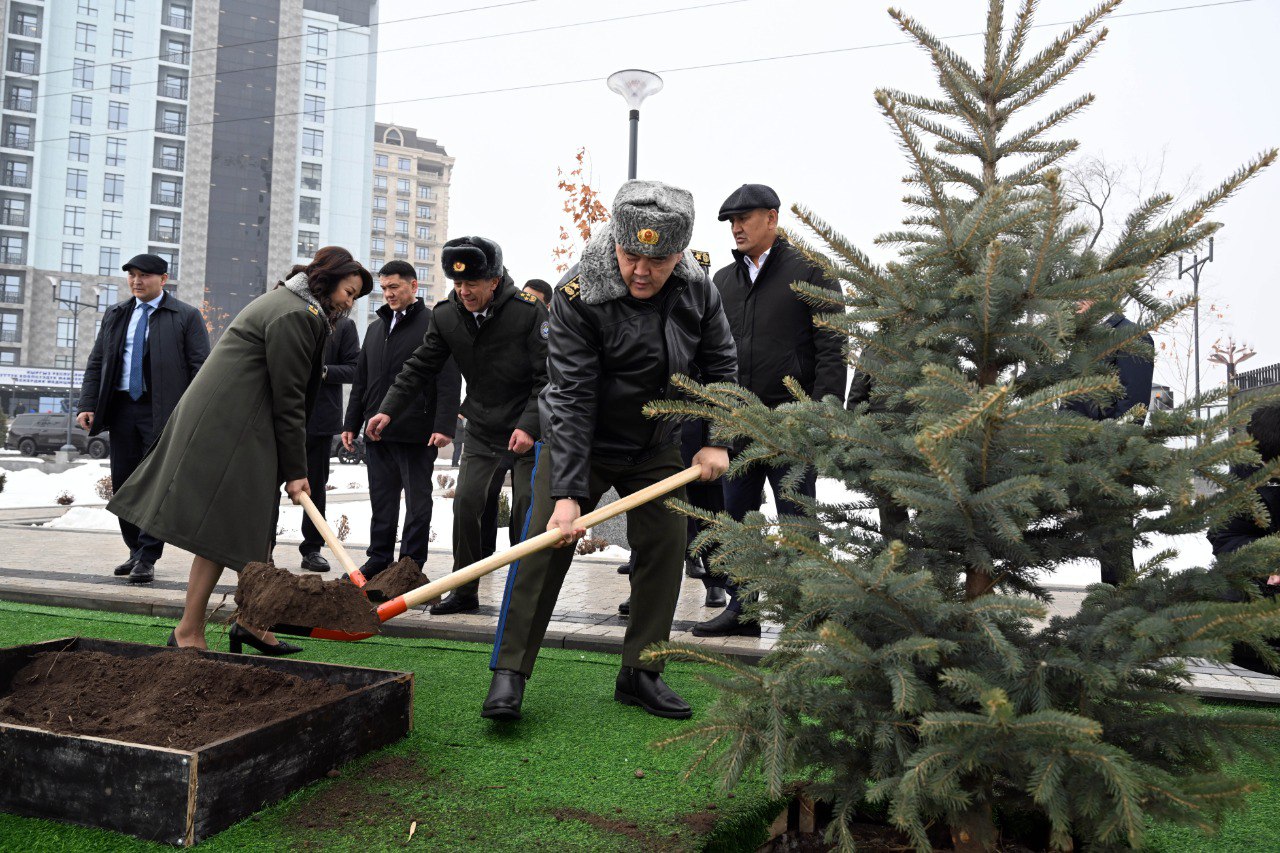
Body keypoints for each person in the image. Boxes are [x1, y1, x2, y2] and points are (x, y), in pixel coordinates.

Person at [482, 180, 737, 722]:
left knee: (665, 548)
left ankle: (641, 672)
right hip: (583, 441)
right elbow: (572, 396)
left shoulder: (699, 289)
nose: (641, 271)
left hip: (656, 443)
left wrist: (717, 439)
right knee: (543, 546)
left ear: (680, 254)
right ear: (615, 243)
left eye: (658, 261)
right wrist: (569, 494)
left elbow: (720, 366)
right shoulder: (579, 292)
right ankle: (510, 671)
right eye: (630, 256)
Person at [108, 246, 372, 653]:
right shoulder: (295, 315)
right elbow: (289, 397)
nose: (348, 303)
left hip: (244, 425)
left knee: (247, 527)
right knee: (226, 530)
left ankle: (251, 622)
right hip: (232, 429)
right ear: (327, 280)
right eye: (348, 292)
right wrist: (296, 470)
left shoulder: (293, 305)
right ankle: (190, 631)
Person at [693, 184, 846, 638]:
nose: (736, 228)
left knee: (797, 519)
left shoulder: (812, 272)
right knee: (739, 521)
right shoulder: (722, 282)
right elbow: (711, 355)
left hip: (791, 424)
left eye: (744, 219)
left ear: (772, 218)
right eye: (731, 222)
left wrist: (822, 416)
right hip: (737, 424)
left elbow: (833, 349)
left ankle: (807, 610)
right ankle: (743, 611)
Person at [366, 236, 548, 615]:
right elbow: (420, 365)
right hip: (482, 425)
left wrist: (529, 425)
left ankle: (524, 591)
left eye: (472, 283)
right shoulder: (447, 314)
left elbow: (548, 377)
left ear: (494, 280)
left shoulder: (528, 313)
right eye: (458, 283)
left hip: (530, 429)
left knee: (525, 509)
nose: (464, 291)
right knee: (466, 504)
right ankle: (464, 590)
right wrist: (388, 409)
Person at [77, 253, 210, 584]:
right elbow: (97, 362)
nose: (136, 281)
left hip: (164, 412)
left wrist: (195, 413)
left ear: (163, 279)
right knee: (124, 484)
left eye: (144, 275)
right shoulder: (116, 314)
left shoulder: (185, 316)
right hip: (122, 409)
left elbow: (201, 368)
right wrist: (87, 403)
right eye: (132, 275)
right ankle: (135, 550)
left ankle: (148, 555)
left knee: (156, 484)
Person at [341, 261, 460, 581]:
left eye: (394, 287)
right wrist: (351, 423)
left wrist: (444, 426)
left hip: (417, 432)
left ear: (413, 286)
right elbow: (361, 381)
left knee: (417, 503)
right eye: (384, 288)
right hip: (377, 433)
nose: (388, 294)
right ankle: (379, 558)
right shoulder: (375, 329)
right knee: (382, 501)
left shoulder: (434, 324)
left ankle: (410, 564)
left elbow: (449, 378)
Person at [1063, 302, 1155, 586]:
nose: (1072, 305)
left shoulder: (1131, 336)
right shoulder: (1084, 340)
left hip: (1108, 455)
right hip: (1074, 451)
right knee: (1094, 536)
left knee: (1114, 541)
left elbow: (1134, 406)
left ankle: (1120, 599)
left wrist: (1105, 446)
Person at [292, 316, 358, 572]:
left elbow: (354, 368)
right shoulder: (291, 317)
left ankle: (312, 549)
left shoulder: (343, 325)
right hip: (280, 415)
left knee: (316, 487)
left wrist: (323, 371)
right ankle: (264, 549)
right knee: (268, 487)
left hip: (320, 420)